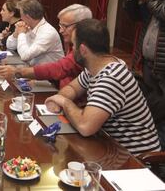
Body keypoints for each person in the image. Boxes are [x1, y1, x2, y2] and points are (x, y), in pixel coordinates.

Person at [45, 19, 161, 155]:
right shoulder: (96, 66)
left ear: (82, 50)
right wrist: (61, 98)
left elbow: (85, 126)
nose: (72, 49)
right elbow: (72, 88)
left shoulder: (111, 78)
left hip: (134, 159)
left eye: (74, 45)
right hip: (110, 145)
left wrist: (63, 102)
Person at [0, 4, 92, 88]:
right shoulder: (73, 44)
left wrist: (18, 72)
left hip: (51, 81)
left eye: (65, 26)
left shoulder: (83, 49)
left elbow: (59, 69)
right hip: (48, 80)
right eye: (60, 25)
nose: (60, 30)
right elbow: (72, 88)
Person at [124, 0, 165, 150]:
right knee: (150, 103)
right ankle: (150, 143)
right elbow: (134, 16)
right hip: (150, 62)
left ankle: (158, 152)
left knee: (161, 107)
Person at [6, 0, 64, 65]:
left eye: (21, 15)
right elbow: (9, 45)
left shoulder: (48, 32)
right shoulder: (29, 26)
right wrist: (16, 33)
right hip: (32, 70)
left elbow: (25, 56)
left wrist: (21, 34)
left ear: (28, 17)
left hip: (49, 74)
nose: (21, 18)